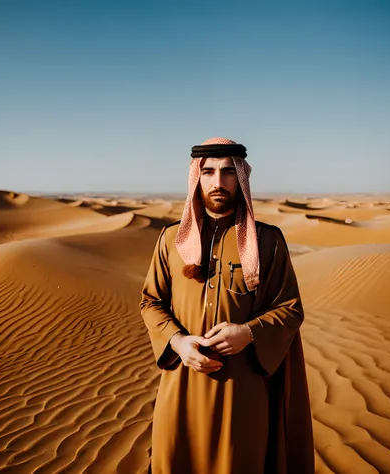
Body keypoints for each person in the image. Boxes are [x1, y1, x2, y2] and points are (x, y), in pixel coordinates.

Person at [140, 137, 314, 474]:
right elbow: (151, 301)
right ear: (197, 177)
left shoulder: (268, 241)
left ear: (242, 178)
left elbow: (290, 308)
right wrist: (178, 342)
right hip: (182, 383)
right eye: (208, 172)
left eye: (228, 172)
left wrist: (248, 333)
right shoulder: (170, 240)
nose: (218, 182)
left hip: (243, 391)